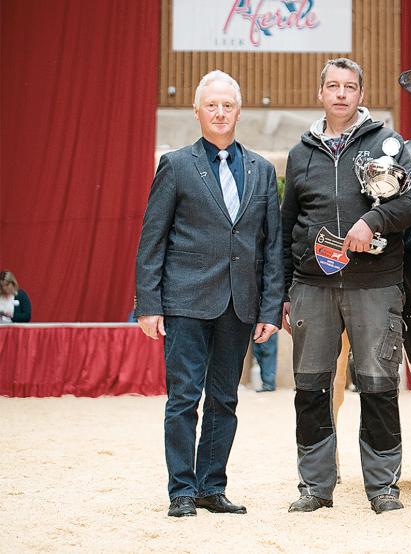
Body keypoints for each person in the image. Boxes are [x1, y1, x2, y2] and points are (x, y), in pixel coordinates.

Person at [135, 70, 283, 518]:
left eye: (228, 105)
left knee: (225, 399)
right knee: (183, 398)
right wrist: (149, 303)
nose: (220, 112)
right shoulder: (176, 165)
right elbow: (152, 239)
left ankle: (210, 487)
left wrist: (270, 308)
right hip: (185, 302)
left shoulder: (261, 169)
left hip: (240, 304)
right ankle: (181, 489)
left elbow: (271, 245)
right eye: (212, 105)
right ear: (197, 111)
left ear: (239, 111)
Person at [281, 58, 411, 515]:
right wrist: (286, 292)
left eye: (350, 87)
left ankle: (383, 487)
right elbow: (288, 227)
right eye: (333, 86)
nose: (341, 94)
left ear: (361, 94)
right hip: (312, 286)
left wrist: (373, 219)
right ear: (320, 92)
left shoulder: (388, 145)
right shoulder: (301, 154)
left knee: (379, 385)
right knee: (311, 388)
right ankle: (315, 488)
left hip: (376, 285)